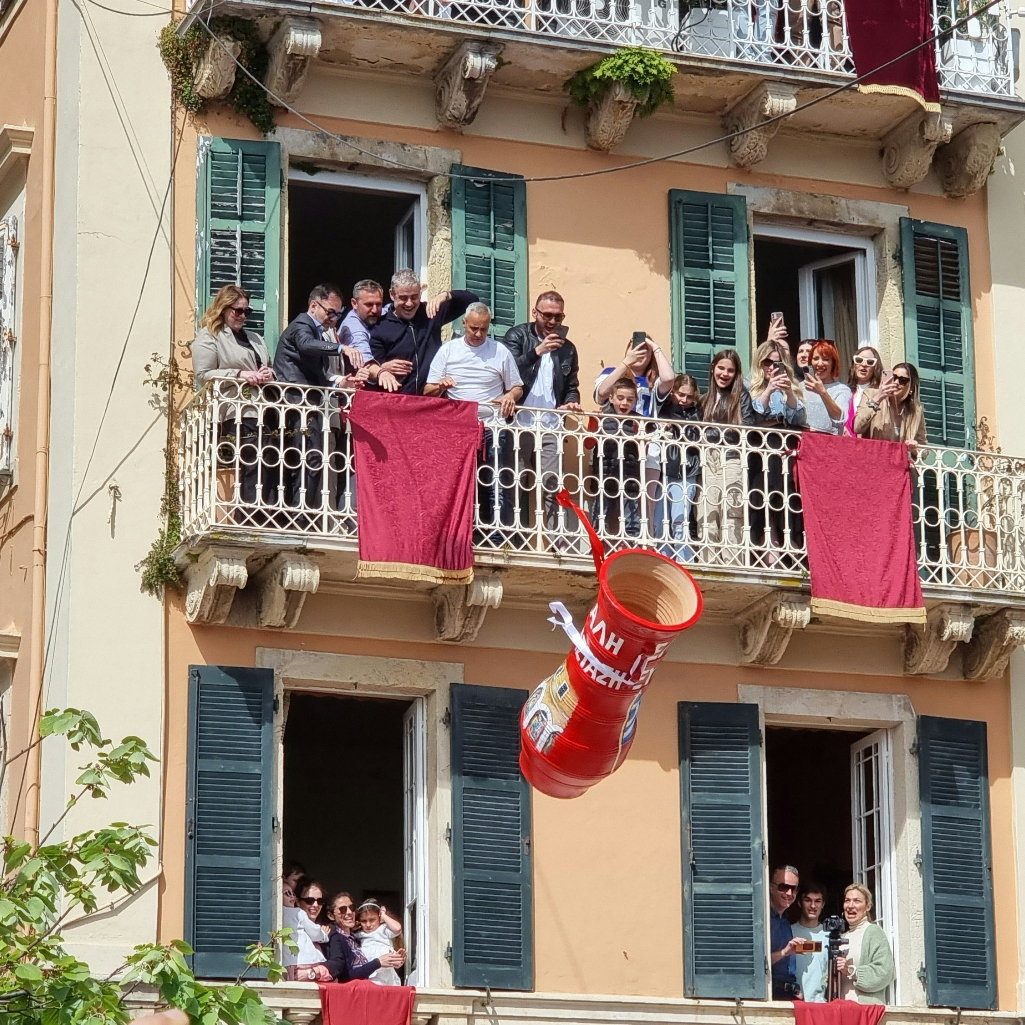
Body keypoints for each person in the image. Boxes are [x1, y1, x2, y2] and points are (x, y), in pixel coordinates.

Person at [425, 303, 523, 536]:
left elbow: (517, 386)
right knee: (459, 483)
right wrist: (441, 385)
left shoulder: (500, 351)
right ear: (464, 324)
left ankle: (499, 538)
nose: (479, 334)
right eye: (474, 329)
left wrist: (510, 396)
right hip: (457, 428)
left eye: (484, 329)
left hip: (493, 427)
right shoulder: (448, 350)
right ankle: (460, 535)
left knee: (497, 482)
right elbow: (427, 391)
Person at [273, 284, 361, 512]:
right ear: (314, 306)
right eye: (330, 312)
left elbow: (318, 375)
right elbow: (304, 344)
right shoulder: (302, 325)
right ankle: (301, 514)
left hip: (308, 403)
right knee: (307, 459)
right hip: (297, 403)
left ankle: (307, 513)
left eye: (338, 314)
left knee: (312, 459)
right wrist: (340, 348)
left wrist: (340, 383)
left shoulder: (317, 331)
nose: (334, 318)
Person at [192, 285, 277, 519]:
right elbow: (203, 374)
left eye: (246, 311)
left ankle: (264, 513)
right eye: (237, 311)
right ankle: (247, 514)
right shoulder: (210, 335)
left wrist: (269, 373)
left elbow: (267, 366)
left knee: (267, 458)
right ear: (223, 308)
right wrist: (239, 375)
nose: (242, 316)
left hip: (261, 407)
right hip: (234, 409)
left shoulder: (255, 338)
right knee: (251, 458)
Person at [502, 291, 582, 537]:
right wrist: (537, 351)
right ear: (535, 313)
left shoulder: (567, 349)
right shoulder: (517, 335)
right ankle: (510, 536)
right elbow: (506, 370)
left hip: (550, 425)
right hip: (519, 422)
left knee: (551, 483)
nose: (552, 322)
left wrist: (571, 403)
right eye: (547, 315)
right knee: (515, 481)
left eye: (558, 317)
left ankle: (553, 538)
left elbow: (571, 386)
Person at [594, 336, 675, 537]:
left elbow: (669, 379)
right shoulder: (611, 374)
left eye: (644, 349)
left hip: (644, 453)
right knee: (606, 504)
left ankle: (638, 548)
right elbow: (602, 393)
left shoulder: (652, 383)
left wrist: (655, 347)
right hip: (611, 455)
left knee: (641, 506)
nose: (640, 352)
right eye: (635, 347)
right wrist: (625, 363)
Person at [370, 269, 478, 395]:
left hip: (430, 401)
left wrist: (446, 295)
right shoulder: (379, 327)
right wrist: (382, 368)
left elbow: (472, 300)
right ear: (392, 294)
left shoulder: (431, 313)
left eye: (414, 297)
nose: (409, 303)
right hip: (396, 402)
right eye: (403, 298)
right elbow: (372, 369)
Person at [749, 342, 806, 562]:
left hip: (786, 441)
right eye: (767, 362)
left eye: (777, 363)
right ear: (760, 363)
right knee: (764, 492)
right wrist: (770, 388)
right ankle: (771, 542)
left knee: (787, 492)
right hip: (762, 444)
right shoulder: (751, 384)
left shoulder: (793, 385)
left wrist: (788, 391)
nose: (772, 367)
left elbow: (798, 417)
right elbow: (754, 416)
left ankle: (790, 542)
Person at [699, 349, 754, 560]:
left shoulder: (741, 397)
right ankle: (708, 561)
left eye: (730, 370)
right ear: (713, 368)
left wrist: (713, 434)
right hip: (708, 458)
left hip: (732, 457)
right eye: (721, 368)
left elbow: (747, 429)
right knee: (707, 511)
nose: (724, 374)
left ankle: (733, 559)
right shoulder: (705, 399)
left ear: (736, 374)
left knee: (732, 510)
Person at [656, 374, 702, 560]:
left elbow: (693, 439)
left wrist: (678, 422)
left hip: (686, 470)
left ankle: (683, 561)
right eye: (680, 394)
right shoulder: (662, 409)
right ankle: (663, 560)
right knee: (660, 522)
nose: (684, 400)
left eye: (689, 396)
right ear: (673, 392)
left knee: (679, 520)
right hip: (661, 469)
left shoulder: (696, 413)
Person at [592, 378, 642, 538]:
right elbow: (587, 443)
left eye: (630, 399)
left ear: (635, 402)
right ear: (611, 398)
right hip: (604, 477)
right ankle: (596, 553)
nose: (625, 403)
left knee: (632, 522)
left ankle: (631, 554)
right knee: (600, 519)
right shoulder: (601, 417)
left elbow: (643, 451)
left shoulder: (637, 421)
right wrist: (594, 422)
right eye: (620, 398)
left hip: (630, 478)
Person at [324, 891, 406, 983]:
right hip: (358, 990)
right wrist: (378, 963)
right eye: (342, 909)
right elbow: (344, 977)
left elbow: (397, 929)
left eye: (351, 907)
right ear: (331, 916)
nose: (349, 912)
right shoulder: (335, 938)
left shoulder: (356, 937)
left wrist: (394, 961)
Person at [835, 883, 894, 1004]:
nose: (850, 906)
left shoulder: (874, 932)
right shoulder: (841, 937)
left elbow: (885, 972)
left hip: (865, 1011)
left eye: (856, 901)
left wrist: (851, 971)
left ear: (867, 907)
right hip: (841, 1010)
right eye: (847, 901)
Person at [854, 362, 927, 446]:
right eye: (894, 377)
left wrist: (914, 448)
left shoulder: (916, 410)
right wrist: (877, 400)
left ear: (911, 387)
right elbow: (857, 427)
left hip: (899, 458)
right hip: (873, 456)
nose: (896, 382)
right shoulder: (871, 395)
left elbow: (923, 447)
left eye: (902, 380)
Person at [286, 877, 331, 982]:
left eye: (320, 901)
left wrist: (314, 972)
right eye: (309, 900)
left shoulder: (329, 929)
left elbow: (337, 964)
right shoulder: (290, 918)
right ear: (297, 901)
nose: (315, 905)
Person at [803, 340, 852, 435]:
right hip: (805, 443)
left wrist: (823, 393)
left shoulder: (842, 390)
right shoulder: (802, 386)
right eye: (816, 358)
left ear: (833, 363)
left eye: (826, 359)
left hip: (829, 445)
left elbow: (840, 420)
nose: (820, 364)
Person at [769, 865, 803, 1000]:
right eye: (783, 887)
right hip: (770, 993)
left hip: (788, 993)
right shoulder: (761, 920)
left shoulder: (786, 921)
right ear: (771, 887)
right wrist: (784, 952)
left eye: (793, 889)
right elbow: (756, 964)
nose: (789, 893)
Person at [792, 883, 829, 1003]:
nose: (813, 905)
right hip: (792, 1002)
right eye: (808, 900)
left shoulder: (830, 936)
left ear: (823, 904)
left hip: (821, 1005)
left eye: (817, 901)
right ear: (799, 903)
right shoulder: (788, 932)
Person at [336, 279, 384, 369]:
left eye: (378, 304)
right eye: (369, 305)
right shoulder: (353, 329)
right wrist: (383, 370)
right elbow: (366, 363)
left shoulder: (376, 313)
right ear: (354, 303)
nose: (375, 310)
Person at [353, 899, 403, 986]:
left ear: (379, 918)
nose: (368, 925)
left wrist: (383, 915)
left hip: (388, 973)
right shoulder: (360, 934)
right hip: (373, 974)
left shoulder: (383, 930)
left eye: (372, 920)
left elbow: (397, 928)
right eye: (364, 921)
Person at [845, 346, 884, 436]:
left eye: (870, 362)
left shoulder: (880, 395)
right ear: (853, 364)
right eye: (859, 360)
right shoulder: (845, 392)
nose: (864, 364)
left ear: (875, 367)